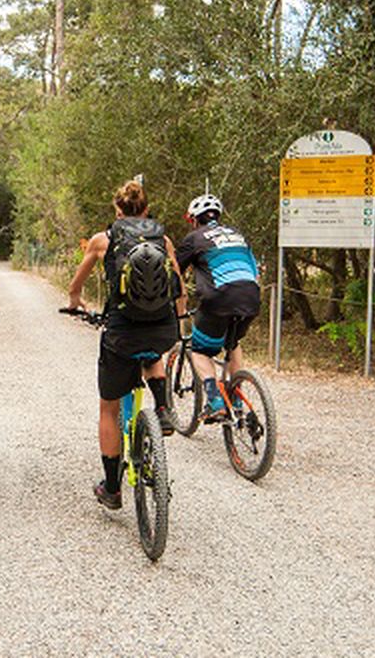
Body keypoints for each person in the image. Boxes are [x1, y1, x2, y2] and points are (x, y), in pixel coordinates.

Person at [66, 179, 185, 510]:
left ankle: (112, 488)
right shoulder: (162, 239)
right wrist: (178, 320)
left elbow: (77, 283)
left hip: (121, 332)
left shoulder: (103, 240)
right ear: (146, 209)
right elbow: (177, 287)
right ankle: (162, 409)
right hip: (161, 329)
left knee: (109, 406)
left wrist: (75, 301)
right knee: (152, 353)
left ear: (117, 211)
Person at [174, 193, 260, 421]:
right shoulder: (238, 236)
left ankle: (214, 400)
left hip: (219, 299)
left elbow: (174, 273)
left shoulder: (193, 239)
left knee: (200, 350)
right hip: (251, 296)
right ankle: (238, 399)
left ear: (194, 219)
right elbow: (255, 272)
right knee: (232, 343)